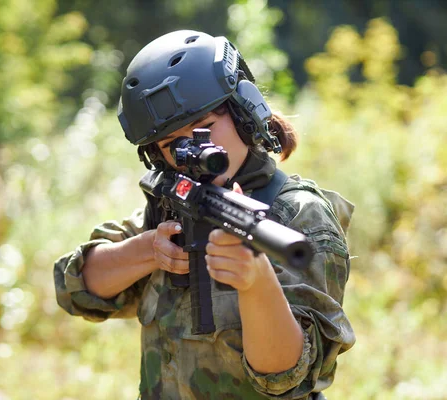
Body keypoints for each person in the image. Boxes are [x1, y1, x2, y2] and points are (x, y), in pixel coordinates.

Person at [54, 30, 355, 400]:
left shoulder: (298, 215)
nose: (197, 149)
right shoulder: (170, 206)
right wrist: (150, 249)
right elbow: (76, 289)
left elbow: (286, 376)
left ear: (243, 113)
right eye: (173, 145)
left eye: (206, 128)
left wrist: (256, 280)